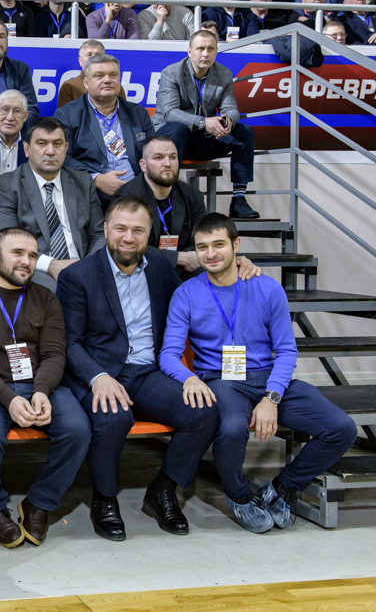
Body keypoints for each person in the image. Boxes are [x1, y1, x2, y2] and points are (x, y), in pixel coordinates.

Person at [160, 213, 357, 533]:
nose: (210, 253)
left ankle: (282, 487)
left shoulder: (267, 288)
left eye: (219, 244)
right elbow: (168, 355)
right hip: (222, 380)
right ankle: (238, 495)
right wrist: (190, 378)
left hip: (268, 377)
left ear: (236, 245)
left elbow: (287, 351)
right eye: (202, 247)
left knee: (342, 428)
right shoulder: (186, 293)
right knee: (232, 428)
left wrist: (271, 398)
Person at [56, 196, 219, 542]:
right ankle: (104, 498)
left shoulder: (159, 267)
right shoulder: (77, 276)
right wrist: (98, 378)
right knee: (113, 418)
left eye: (138, 230)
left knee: (203, 412)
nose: (128, 237)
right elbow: (68, 343)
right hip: (100, 373)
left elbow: (198, 294)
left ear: (149, 234)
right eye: (120, 229)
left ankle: (162, 491)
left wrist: (240, 267)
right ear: (105, 230)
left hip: (147, 372)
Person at [0, 226, 91, 549]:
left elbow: (54, 353)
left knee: (78, 429)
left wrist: (42, 390)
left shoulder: (46, 298)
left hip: (39, 383)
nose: (26, 261)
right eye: (17, 253)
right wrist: (9, 398)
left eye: (32, 255)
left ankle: (39, 503)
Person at [0, 117, 105, 291]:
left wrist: (87, 265)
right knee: (57, 290)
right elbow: (4, 241)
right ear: (27, 149)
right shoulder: (6, 185)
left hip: (82, 264)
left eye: (57, 144)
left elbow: (98, 233)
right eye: (42, 143)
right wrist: (51, 265)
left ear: (66, 148)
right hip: (36, 267)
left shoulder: (83, 182)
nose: (50, 151)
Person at [152, 31, 259, 219]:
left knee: (244, 132)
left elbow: (231, 109)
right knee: (177, 128)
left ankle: (239, 200)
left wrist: (227, 121)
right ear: (189, 51)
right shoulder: (172, 72)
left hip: (203, 139)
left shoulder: (223, 73)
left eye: (210, 49)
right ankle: (169, 197)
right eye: (200, 48)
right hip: (173, 140)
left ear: (216, 51)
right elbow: (169, 112)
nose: (205, 54)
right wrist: (203, 122)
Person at [54, 53, 154, 206]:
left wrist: (142, 183)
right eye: (99, 76)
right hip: (90, 195)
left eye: (113, 75)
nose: (107, 80)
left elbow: (153, 152)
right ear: (86, 83)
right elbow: (63, 158)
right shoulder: (67, 114)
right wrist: (96, 179)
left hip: (137, 193)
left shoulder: (138, 113)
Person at [114, 135, 208, 278]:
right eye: (158, 158)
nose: (167, 163)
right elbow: (127, 247)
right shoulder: (127, 197)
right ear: (143, 165)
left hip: (185, 270)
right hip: (142, 269)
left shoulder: (193, 196)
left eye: (172, 157)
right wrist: (178, 258)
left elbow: (202, 240)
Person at [57, 40, 116, 107]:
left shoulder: (113, 85)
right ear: (80, 61)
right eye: (89, 55)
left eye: (98, 55)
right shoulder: (69, 86)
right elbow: (64, 113)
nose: (93, 58)